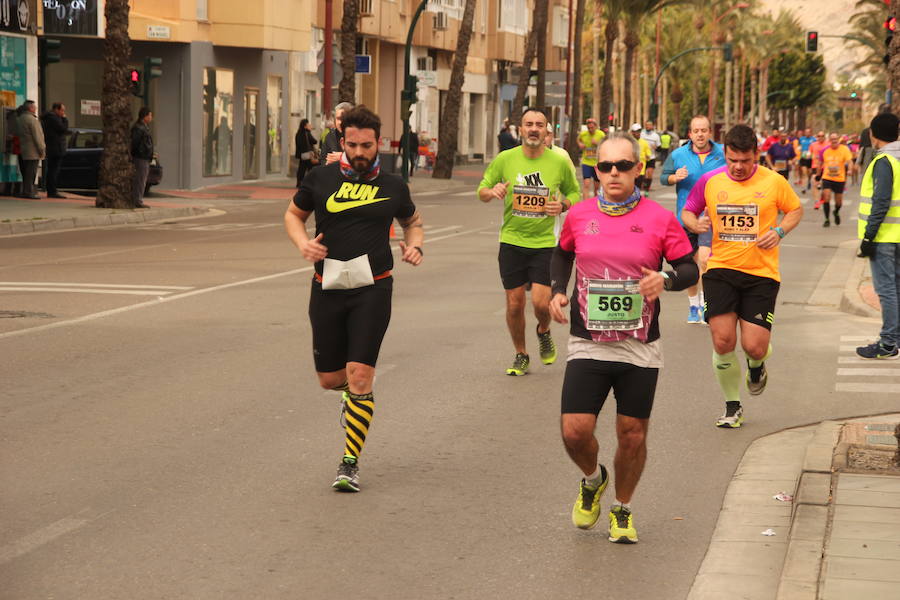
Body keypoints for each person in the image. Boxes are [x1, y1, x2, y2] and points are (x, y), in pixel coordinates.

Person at [550, 131, 699, 543]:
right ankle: (593, 478)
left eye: (622, 166)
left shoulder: (658, 218)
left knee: (632, 434)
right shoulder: (580, 215)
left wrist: (665, 279)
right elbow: (562, 253)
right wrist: (558, 289)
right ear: (595, 171)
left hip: (639, 347)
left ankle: (622, 508)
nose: (613, 174)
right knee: (574, 431)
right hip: (588, 342)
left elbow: (689, 268)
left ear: (639, 170)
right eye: (605, 166)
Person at [284, 105, 424, 492]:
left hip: (373, 288)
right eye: (352, 145)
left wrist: (415, 246)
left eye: (367, 145)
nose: (360, 152)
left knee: (360, 376)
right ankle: (352, 398)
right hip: (326, 286)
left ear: (378, 142)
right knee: (331, 380)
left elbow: (412, 221)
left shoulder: (394, 184)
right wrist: (303, 244)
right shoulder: (320, 178)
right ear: (341, 141)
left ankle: (349, 463)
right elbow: (293, 215)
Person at [681, 124, 803, 428]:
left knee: (754, 346)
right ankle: (732, 406)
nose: (737, 167)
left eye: (744, 160)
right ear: (726, 154)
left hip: (761, 273)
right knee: (722, 341)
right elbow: (688, 210)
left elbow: (795, 209)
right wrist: (694, 224)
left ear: (756, 156)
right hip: (720, 270)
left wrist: (779, 231)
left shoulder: (774, 182)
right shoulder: (711, 180)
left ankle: (756, 365)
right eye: (732, 159)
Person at [477, 107, 581, 376]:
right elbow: (482, 189)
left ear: (547, 131)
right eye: (528, 124)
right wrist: (493, 191)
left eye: (539, 124)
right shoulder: (505, 159)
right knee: (514, 303)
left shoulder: (558, 162)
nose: (534, 129)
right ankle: (521, 353)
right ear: (520, 130)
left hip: (546, 243)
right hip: (511, 241)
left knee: (539, 302)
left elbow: (574, 192)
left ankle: (543, 330)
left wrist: (564, 204)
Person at [660, 114, 727, 324]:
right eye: (696, 131)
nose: (700, 134)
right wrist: (674, 177)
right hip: (686, 219)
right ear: (690, 134)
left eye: (704, 130)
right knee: (689, 266)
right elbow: (664, 177)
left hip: (712, 217)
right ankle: (693, 306)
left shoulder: (722, 153)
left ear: (710, 132)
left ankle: (707, 305)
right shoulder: (678, 154)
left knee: (706, 262)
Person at [856, 112, 900, 360]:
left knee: (887, 290)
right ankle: (896, 338)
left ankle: (887, 343)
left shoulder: (884, 160)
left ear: (873, 134)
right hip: (898, 234)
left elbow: (880, 202)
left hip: (884, 235)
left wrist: (869, 237)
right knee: (897, 287)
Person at [815, 133, 853, 227]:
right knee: (826, 196)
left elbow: (850, 161)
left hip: (840, 178)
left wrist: (850, 170)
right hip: (827, 177)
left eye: (836, 138)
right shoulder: (824, 151)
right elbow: (820, 164)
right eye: (832, 139)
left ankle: (836, 212)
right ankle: (827, 219)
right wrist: (818, 175)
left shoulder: (844, 149)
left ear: (838, 139)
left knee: (839, 202)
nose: (834, 140)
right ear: (829, 140)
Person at [16, 100, 44, 199]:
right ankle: (28, 192)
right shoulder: (32, 120)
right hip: (33, 151)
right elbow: (38, 137)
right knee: (31, 173)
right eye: (34, 107)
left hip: (23, 150)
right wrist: (42, 149)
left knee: (25, 172)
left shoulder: (20, 119)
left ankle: (25, 191)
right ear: (30, 108)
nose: (36, 108)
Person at [40, 102, 69, 198]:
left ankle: (51, 190)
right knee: (53, 170)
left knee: (52, 170)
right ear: (56, 109)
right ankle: (52, 191)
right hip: (56, 147)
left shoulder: (50, 118)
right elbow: (63, 129)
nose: (63, 112)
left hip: (54, 146)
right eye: (62, 110)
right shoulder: (53, 118)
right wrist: (65, 119)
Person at [130, 107, 154, 208]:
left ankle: (138, 199)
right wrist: (138, 154)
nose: (151, 117)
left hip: (144, 157)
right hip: (140, 158)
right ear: (145, 116)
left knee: (142, 179)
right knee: (140, 179)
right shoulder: (139, 128)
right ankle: (137, 200)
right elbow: (134, 143)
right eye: (150, 115)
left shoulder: (143, 127)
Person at [576, 117, 606, 198]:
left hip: (597, 163)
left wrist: (597, 143)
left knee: (596, 187)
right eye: (588, 128)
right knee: (586, 184)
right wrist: (580, 144)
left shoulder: (601, 134)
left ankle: (595, 203)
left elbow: (605, 145)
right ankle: (586, 204)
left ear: (596, 127)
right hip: (586, 162)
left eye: (592, 128)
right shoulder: (583, 134)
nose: (590, 129)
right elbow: (578, 139)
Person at [319, 101, 354, 166]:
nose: (340, 122)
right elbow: (323, 158)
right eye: (338, 119)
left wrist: (343, 157)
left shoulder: (359, 136)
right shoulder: (330, 136)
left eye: (344, 118)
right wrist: (327, 164)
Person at [294, 118, 318, 187]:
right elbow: (314, 141)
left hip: (302, 155)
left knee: (302, 168)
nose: (310, 125)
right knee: (311, 168)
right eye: (308, 124)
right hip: (308, 154)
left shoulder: (298, 133)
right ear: (305, 126)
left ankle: (299, 182)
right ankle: (311, 183)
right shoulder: (307, 133)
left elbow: (299, 144)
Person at [629, 124, 652, 193]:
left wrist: (648, 156)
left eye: (639, 131)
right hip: (630, 169)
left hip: (640, 170)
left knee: (637, 188)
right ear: (632, 132)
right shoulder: (629, 142)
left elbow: (648, 154)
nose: (638, 133)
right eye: (636, 131)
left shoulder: (644, 142)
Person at [639, 121, 661, 193]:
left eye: (649, 125)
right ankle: (642, 187)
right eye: (647, 125)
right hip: (642, 158)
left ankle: (647, 189)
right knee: (643, 174)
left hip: (651, 157)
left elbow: (659, 148)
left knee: (649, 174)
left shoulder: (655, 136)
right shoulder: (641, 134)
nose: (648, 126)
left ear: (652, 126)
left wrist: (656, 148)